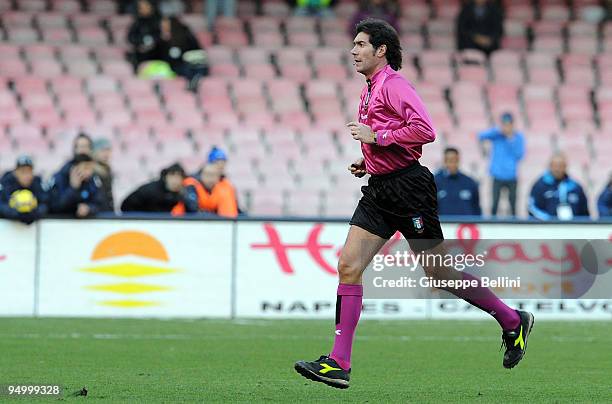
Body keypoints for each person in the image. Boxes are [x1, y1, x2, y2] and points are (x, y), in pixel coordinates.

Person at [294, 19, 533, 389]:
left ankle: (512, 320)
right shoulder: (370, 88)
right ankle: (338, 362)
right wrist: (369, 158)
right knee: (348, 265)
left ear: (381, 50)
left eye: (360, 44)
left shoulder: (395, 85)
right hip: (380, 188)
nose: (353, 51)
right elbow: (390, 138)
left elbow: (425, 130)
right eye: (353, 45)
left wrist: (379, 136)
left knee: (439, 273)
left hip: (409, 189)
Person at [478, 112, 525, 217]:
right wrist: (497, 130)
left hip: (511, 176)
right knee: (494, 204)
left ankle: (514, 225)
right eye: (504, 124)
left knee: (513, 205)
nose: (506, 126)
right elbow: (480, 136)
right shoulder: (496, 135)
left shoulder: (518, 137)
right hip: (497, 175)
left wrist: (510, 139)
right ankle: (492, 225)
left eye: (509, 124)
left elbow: (520, 155)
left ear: (513, 124)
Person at [528, 153, 590, 220]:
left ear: (565, 166)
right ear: (550, 166)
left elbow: (584, 211)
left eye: (560, 166)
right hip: (546, 227)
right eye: (555, 166)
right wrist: (548, 219)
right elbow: (532, 208)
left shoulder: (575, 187)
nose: (557, 169)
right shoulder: (540, 185)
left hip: (572, 227)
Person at [120, 163, 198, 214]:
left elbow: (192, 211)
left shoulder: (185, 193)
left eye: (178, 177)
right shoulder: (150, 190)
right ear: (165, 177)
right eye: (172, 176)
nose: (175, 181)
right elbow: (125, 205)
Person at [49, 153, 106, 218]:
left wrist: (89, 208)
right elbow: (56, 207)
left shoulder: (93, 180)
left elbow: (100, 204)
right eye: (85, 168)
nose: (89, 172)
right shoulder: (59, 179)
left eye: (91, 169)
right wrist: (73, 188)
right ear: (74, 168)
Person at [171, 164, 238, 217]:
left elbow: (230, 211)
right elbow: (192, 209)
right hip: (181, 222)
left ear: (218, 177)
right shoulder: (191, 185)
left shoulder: (222, 188)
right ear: (201, 175)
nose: (210, 179)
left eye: (213, 175)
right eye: (207, 174)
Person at [157, 15, 208, 86]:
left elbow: (196, 49)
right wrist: (164, 42)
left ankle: (195, 83)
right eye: (162, 26)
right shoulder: (161, 40)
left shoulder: (186, 36)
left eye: (166, 25)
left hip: (189, 63)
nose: (164, 28)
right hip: (175, 67)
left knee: (199, 68)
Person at [0, 156, 49, 225]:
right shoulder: (6, 182)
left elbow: (45, 203)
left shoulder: (37, 182)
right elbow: (1, 205)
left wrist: (33, 214)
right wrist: (17, 214)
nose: (27, 175)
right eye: (23, 172)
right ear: (16, 172)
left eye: (29, 171)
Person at [434, 147, 481, 216]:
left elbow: (476, 208)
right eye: (449, 160)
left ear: (458, 160)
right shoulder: (434, 182)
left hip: (466, 225)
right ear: (444, 161)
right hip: (443, 225)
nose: (452, 163)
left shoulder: (470, 182)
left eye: (455, 160)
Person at [127, 0, 162, 71]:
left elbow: (162, 37)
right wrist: (141, 43)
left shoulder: (158, 21)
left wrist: (153, 43)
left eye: (146, 6)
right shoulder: (137, 23)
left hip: (157, 54)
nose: (144, 9)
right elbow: (131, 38)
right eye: (141, 7)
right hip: (141, 54)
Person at [93, 138, 115, 212]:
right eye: (102, 150)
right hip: (97, 215)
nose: (106, 153)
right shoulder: (90, 171)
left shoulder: (107, 169)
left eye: (108, 150)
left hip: (107, 214)